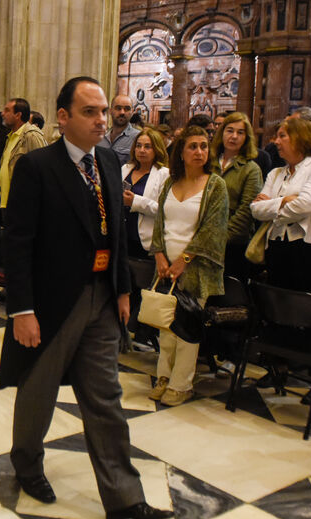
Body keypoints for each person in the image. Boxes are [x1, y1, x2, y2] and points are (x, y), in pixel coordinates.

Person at [0, 76, 172, 519]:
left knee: (106, 397)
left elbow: (114, 232)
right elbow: (17, 243)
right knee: (38, 391)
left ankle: (124, 496)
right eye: (90, 112)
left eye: (103, 112)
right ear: (63, 117)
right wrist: (22, 310)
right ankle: (28, 463)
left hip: (101, 297)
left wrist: (122, 289)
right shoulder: (38, 166)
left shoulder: (110, 162)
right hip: (52, 299)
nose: (102, 120)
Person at [250, 116, 311, 400]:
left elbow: (308, 204)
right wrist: (286, 202)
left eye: (283, 136)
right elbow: (255, 209)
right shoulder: (276, 174)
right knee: (279, 306)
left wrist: (276, 205)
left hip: (309, 247)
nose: (277, 141)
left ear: (300, 137)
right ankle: (279, 365)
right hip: (279, 245)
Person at [147, 126, 229, 406]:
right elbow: (160, 221)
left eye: (204, 146)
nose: (199, 152)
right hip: (166, 265)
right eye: (192, 146)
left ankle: (181, 384)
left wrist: (184, 260)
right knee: (165, 324)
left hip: (196, 267)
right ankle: (163, 377)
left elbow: (214, 229)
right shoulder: (171, 182)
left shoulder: (215, 185)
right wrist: (159, 253)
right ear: (180, 152)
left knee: (186, 327)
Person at [213, 112, 263, 282]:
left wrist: (220, 238)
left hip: (233, 244)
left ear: (246, 137)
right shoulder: (208, 162)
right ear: (222, 133)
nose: (234, 136)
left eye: (240, 132)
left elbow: (247, 210)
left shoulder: (250, 169)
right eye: (230, 130)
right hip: (202, 240)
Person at [121, 128, 170, 260]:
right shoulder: (126, 169)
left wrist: (135, 202)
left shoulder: (164, 174)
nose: (142, 150)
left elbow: (164, 210)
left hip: (144, 241)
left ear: (156, 149)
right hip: (121, 236)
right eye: (138, 146)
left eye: (147, 147)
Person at [0, 97, 47, 212]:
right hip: (8, 202)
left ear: (18, 115)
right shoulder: (10, 136)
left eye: (7, 110)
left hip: (23, 204)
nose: (2, 113)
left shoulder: (31, 135)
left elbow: (44, 169)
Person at [100, 94, 138, 164]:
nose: (122, 112)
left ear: (132, 112)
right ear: (110, 111)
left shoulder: (137, 138)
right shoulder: (100, 137)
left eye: (127, 109)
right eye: (118, 108)